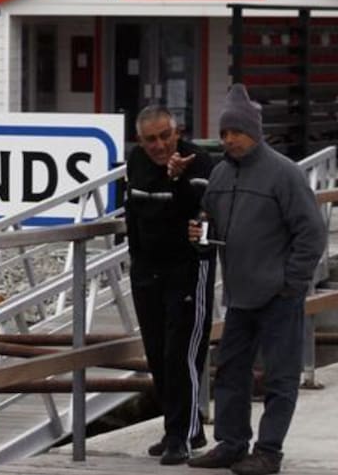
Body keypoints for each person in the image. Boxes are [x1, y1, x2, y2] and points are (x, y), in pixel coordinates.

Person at [187, 84, 326, 475]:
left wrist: (291, 283)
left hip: (279, 296)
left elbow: (311, 233)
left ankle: (269, 452)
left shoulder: (285, 173)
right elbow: (208, 222)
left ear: (255, 131)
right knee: (230, 371)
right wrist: (199, 235)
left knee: (280, 377)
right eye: (225, 133)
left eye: (236, 132)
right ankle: (231, 444)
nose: (229, 139)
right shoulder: (219, 174)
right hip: (240, 296)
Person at [125, 105, 215, 466]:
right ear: (140, 141)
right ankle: (179, 428)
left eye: (166, 136)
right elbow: (138, 212)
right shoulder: (136, 161)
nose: (160, 145)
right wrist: (136, 262)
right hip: (148, 270)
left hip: (188, 267)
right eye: (151, 140)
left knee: (183, 353)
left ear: (178, 132)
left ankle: (183, 435)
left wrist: (176, 181)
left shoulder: (201, 161)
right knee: (158, 354)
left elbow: (199, 214)